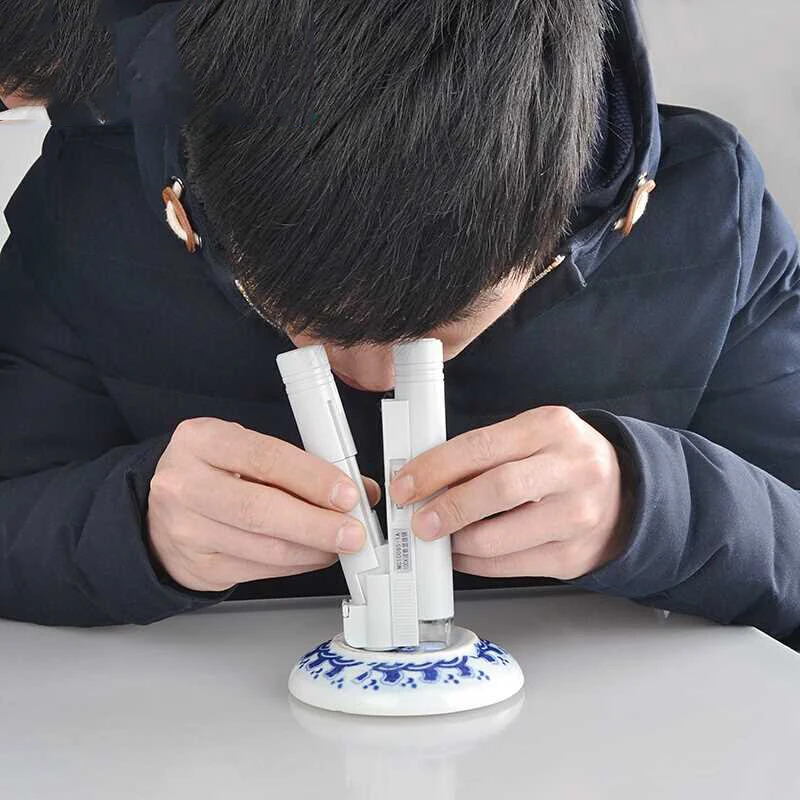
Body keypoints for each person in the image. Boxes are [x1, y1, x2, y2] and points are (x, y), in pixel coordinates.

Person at [0, 0, 798, 646]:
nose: (373, 380)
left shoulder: (709, 209)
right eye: (300, 316)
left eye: (439, 330)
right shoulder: (94, 207)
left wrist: (653, 507)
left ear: (556, 228)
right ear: (202, 210)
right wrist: (139, 528)